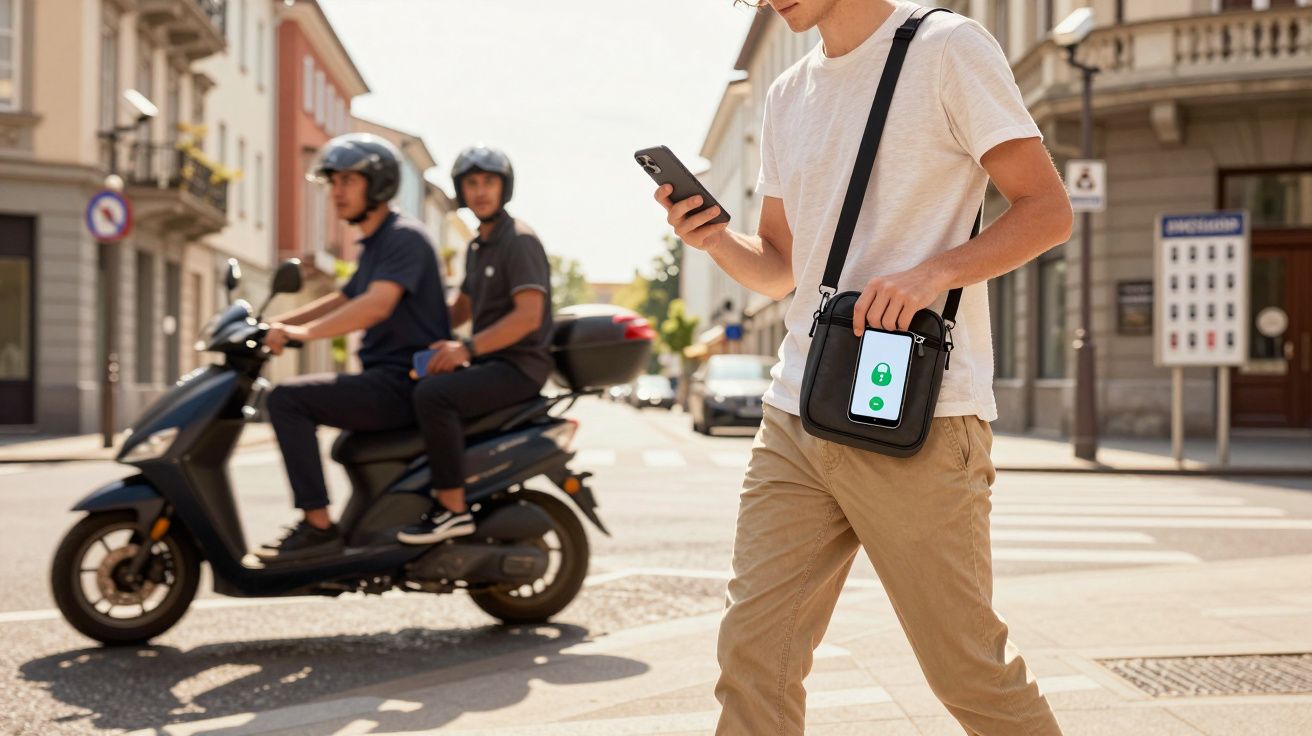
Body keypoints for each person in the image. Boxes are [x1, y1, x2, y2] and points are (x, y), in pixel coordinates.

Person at [656, 1, 1073, 733]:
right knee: (753, 656)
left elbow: (1046, 211)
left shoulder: (947, 48)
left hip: (920, 414)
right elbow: (783, 268)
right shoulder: (788, 96)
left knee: (967, 671)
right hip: (798, 406)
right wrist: (716, 240)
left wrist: (931, 275)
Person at [255, 133, 451, 563]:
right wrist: (275, 324)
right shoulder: (378, 243)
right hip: (385, 378)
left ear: (378, 185)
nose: (336, 192)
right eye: (333, 182)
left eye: (347, 181)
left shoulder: (404, 239)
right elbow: (345, 297)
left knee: (286, 400)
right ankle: (354, 529)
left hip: (403, 382)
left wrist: (300, 336)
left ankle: (317, 528)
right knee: (336, 437)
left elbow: (376, 305)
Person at [396, 146, 554, 544]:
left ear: (504, 188)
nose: (481, 191)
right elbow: (462, 307)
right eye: (472, 183)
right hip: (492, 361)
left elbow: (527, 316)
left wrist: (464, 349)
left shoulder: (519, 241)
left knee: (434, 396)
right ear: (461, 190)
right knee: (415, 381)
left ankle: (452, 510)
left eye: (489, 182)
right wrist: (411, 330)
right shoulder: (477, 244)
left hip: (519, 367)